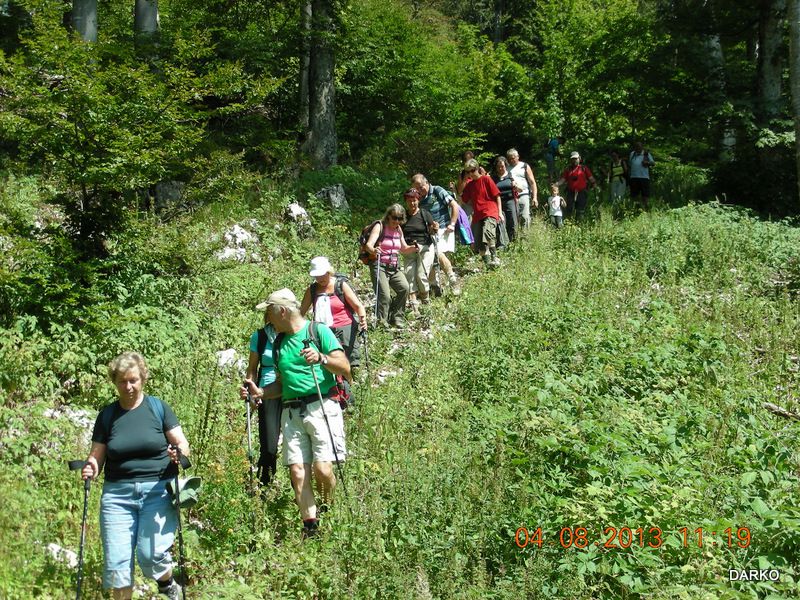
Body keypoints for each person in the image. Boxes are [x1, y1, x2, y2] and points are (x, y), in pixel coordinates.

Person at [241, 289, 350, 539]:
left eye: (269, 312)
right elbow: (281, 384)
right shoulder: (278, 342)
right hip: (291, 411)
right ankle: (310, 527)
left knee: (323, 470)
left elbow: (345, 368)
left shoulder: (318, 331)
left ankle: (326, 509)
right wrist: (259, 393)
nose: (268, 319)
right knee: (297, 471)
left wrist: (321, 358)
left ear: (281, 311)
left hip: (321, 406)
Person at [81, 352, 189, 600]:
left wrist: (178, 453)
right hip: (117, 496)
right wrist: (91, 467)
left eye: (133, 380)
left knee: (150, 556)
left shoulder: (158, 408)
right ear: (115, 382)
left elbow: (182, 443)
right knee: (118, 566)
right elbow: (96, 455)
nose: (128, 387)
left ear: (143, 379)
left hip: (157, 491)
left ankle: (167, 584)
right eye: (122, 381)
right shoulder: (108, 415)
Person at [300, 256, 367, 369]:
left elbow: (358, 306)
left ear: (328, 272)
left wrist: (363, 320)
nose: (320, 278)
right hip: (322, 330)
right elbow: (301, 312)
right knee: (327, 361)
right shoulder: (312, 290)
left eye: (322, 275)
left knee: (348, 360)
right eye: (317, 276)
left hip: (344, 328)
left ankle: (349, 382)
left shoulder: (340, 286)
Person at [363, 204, 419, 329]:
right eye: (394, 217)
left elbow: (403, 248)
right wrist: (374, 250)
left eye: (400, 218)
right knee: (384, 296)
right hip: (379, 265)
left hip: (394, 266)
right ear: (388, 216)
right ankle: (381, 323)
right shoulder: (380, 226)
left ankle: (397, 318)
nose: (397, 221)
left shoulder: (398, 229)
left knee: (404, 288)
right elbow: (368, 245)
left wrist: (413, 248)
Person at [245, 317, 281, 488]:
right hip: (266, 392)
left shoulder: (293, 333)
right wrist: (252, 393)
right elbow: (252, 368)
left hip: (291, 390)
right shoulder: (259, 336)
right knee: (269, 446)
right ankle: (264, 487)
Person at [411, 173, 462, 296]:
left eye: (421, 187)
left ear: (427, 183)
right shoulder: (418, 198)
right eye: (416, 188)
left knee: (436, 254)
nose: (419, 190)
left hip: (443, 228)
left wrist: (452, 224)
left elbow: (454, 205)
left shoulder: (437, 190)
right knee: (430, 257)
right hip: (428, 232)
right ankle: (434, 286)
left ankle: (452, 280)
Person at [461, 158, 504, 269]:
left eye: (472, 170)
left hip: (490, 211)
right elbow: (463, 200)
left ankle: (495, 258)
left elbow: (497, 196)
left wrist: (500, 212)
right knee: (479, 242)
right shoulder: (469, 185)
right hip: (478, 215)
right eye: (468, 171)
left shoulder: (486, 179)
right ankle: (488, 265)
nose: (471, 173)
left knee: (488, 233)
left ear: (477, 168)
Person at [400, 188, 437, 310]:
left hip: (425, 248)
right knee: (409, 275)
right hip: (409, 250)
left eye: (414, 200)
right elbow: (398, 232)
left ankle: (425, 299)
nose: (412, 203)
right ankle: (414, 303)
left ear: (418, 201)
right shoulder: (403, 216)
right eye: (409, 200)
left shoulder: (424, 214)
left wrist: (435, 228)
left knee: (421, 275)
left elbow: (432, 228)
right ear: (406, 201)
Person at [557, 151, 597, 221]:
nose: (574, 160)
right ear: (570, 160)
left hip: (582, 192)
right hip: (570, 193)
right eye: (573, 159)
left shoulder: (584, 168)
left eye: (576, 158)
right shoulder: (568, 169)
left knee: (580, 210)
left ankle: (579, 224)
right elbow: (562, 180)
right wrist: (555, 184)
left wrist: (594, 185)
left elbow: (591, 178)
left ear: (579, 158)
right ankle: (569, 223)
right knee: (569, 209)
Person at [506, 148, 539, 229]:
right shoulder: (506, 168)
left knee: (525, 217)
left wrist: (534, 197)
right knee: (513, 218)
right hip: (511, 196)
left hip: (524, 194)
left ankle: (525, 238)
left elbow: (532, 182)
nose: (512, 160)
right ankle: (515, 238)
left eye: (513, 158)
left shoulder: (524, 166)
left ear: (518, 157)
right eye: (510, 158)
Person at [491, 156, 519, 244]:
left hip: (510, 201)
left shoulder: (511, 175)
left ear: (505, 165)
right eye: (498, 167)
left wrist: (516, 186)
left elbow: (519, 188)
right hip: (497, 203)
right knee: (499, 223)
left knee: (512, 223)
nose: (500, 168)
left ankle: (513, 243)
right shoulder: (493, 178)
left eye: (502, 166)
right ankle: (501, 244)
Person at [629, 141, 655, 208]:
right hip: (634, 177)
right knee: (634, 195)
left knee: (645, 195)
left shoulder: (646, 154)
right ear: (635, 148)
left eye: (639, 147)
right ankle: (636, 208)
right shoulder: (632, 154)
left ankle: (646, 208)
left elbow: (653, 163)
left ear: (642, 147)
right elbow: (630, 164)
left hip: (644, 177)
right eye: (637, 147)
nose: (638, 148)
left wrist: (647, 163)